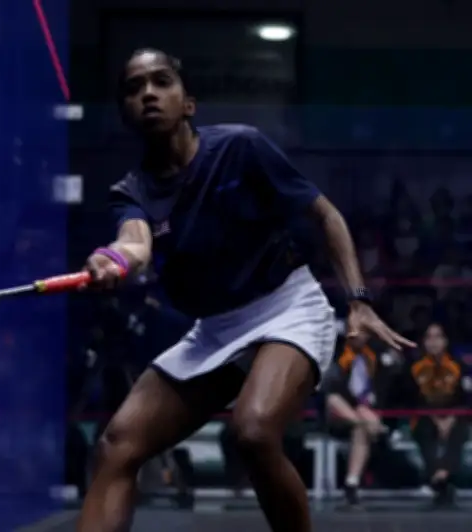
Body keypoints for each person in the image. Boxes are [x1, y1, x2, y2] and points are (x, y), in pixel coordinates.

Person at [76, 48, 414, 532]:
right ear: (125, 112)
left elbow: (326, 215)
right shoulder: (131, 191)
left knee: (253, 432)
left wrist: (358, 300)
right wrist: (113, 259)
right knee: (117, 444)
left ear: (188, 103)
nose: (148, 94)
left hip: (287, 309)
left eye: (161, 82)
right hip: (214, 330)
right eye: (134, 88)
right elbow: (135, 242)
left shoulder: (241, 147)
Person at [322, 330, 390, 508]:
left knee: (360, 430)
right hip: (337, 415)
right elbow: (329, 390)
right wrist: (360, 412)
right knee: (333, 400)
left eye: (362, 333)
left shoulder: (374, 357)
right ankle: (373, 427)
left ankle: (351, 484)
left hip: (365, 413)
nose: (358, 337)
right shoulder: (337, 355)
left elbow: (384, 389)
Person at [406, 322, 468, 507]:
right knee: (424, 429)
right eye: (429, 337)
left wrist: (450, 418)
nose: (433, 342)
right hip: (425, 416)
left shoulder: (458, 365)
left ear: (445, 341)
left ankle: (441, 475)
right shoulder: (415, 367)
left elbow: (465, 398)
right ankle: (441, 477)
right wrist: (435, 418)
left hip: (454, 416)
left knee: (459, 430)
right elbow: (412, 399)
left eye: (438, 337)